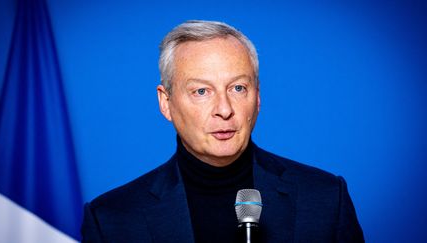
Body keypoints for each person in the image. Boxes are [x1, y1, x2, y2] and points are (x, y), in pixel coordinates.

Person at [81, 20, 364, 243]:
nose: (224, 109)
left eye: (238, 88)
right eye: (202, 91)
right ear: (165, 103)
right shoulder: (111, 219)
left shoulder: (326, 198)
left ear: (258, 96)